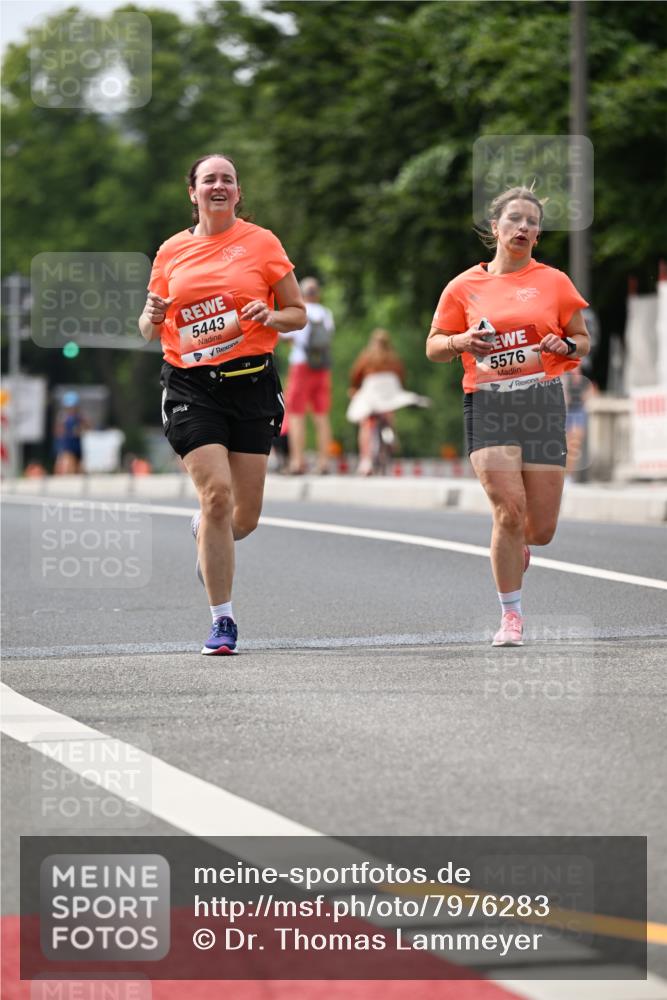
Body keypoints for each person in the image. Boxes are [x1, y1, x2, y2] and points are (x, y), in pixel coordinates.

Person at [139, 153, 306, 655]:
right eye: (209, 179)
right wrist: (152, 313)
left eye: (227, 180)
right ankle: (223, 621)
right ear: (192, 193)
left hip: (251, 383)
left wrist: (269, 316)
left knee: (243, 517)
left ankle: (205, 530)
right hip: (191, 386)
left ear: (238, 193)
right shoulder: (171, 251)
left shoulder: (262, 242)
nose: (219, 186)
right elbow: (148, 329)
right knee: (215, 494)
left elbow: (297, 313)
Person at [426, 185, 590, 646]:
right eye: (514, 219)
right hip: (489, 401)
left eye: (532, 222)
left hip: (540, 402)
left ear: (537, 235)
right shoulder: (464, 286)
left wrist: (565, 346)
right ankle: (511, 616)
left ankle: (518, 542)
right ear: (495, 228)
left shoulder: (554, 282)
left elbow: (581, 340)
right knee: (508, 508)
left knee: (539, 529)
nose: (523, 227)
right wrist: (461, 342)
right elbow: (434, 346)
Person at [347, 329, 426, 475]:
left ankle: (366, 461)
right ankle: (392, 435)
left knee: (365, 422)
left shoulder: (367, 356)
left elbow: (356, 374)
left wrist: (354, 388)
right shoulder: (394, 358)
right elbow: (401, 376)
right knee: (388, 413)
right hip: (389, 393)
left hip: (372, 392)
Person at [280, 276, 334, 474]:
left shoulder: (299, 311)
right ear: (318, 293)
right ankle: (324, 462)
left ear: (301, 293)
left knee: (296, 414)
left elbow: (284, 335)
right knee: (321, 415)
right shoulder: (326, 313)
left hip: (301, 365)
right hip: (321, 367)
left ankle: (297, 461)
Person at [53, 391, 86, 475]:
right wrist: (70, 432)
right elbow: (58, 431)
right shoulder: (63, 417)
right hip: (66, 445)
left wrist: (80, 430)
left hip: (76, 445)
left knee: (78, 466)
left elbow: (86, 426)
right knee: (67, 462)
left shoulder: (79, 416)